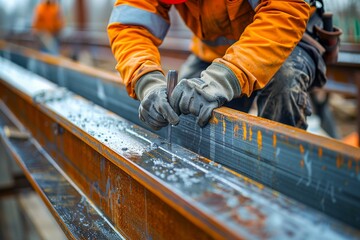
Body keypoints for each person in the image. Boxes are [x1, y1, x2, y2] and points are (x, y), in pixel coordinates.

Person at [107, 0, 335, 131]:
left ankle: (284, 193)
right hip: (215, 54)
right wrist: (147, 82)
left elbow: (282, 12)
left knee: (284, 82)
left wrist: (222, 80)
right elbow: (130, 27)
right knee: (180, 116)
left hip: (284, 41)